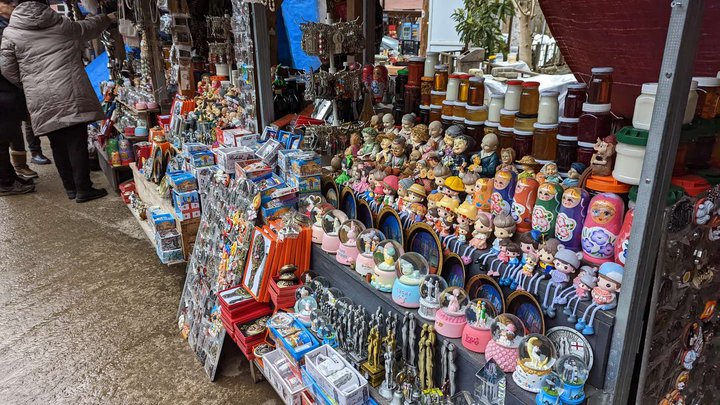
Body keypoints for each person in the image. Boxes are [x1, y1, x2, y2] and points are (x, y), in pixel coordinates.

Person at [0, 0, 116, 202]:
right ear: (44, 5)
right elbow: (88, 28)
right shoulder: (61, 25)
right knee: (76, 142)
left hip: (40, 95)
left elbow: (7, 68)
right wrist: (107, 17)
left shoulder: (11, 34)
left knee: (57, 144)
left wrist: (27, 83)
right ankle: (84, 189)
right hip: (70, 90)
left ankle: (70, 189)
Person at [0, 0, 33, 195]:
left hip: (7, 91)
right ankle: (6, 183)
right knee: (2, 140)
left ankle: (9, 176)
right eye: (8, 2)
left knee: (6, 136)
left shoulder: (8, 26)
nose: (13, 6)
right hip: (3, 90)